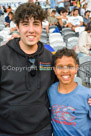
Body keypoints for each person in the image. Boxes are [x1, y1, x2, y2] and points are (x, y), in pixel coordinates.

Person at [0, 3, 54, 136]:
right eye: (25, 24)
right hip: (7, 131)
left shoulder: (50, 57)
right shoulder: (2, 55)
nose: (31, 30)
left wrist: (86, 98)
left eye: (36, 24)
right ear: (17, 27)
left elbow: (63, 88)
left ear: (42, 27)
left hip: (42, 130)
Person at [48, 48, 91, 136]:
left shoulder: (87, 95)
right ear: (54, 70)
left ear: (76, 68)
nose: (65, 71)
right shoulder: (50, 90)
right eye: (60, 67)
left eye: (70, 66)